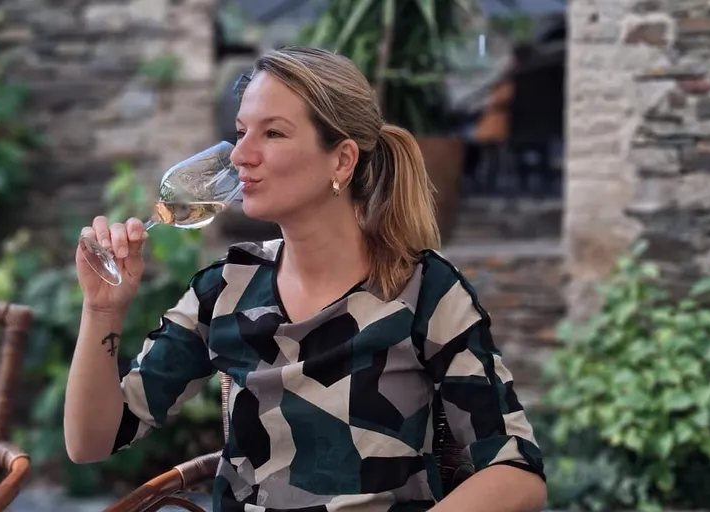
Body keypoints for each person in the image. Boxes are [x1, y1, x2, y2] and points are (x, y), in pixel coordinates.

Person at [64, 46, 547, 512]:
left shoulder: (423, 289)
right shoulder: (226, 288)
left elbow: (515, 471)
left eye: (272, 133)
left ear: (342, 160)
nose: (240, 155)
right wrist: (102, 309)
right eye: (240, 132)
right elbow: (92, 441)